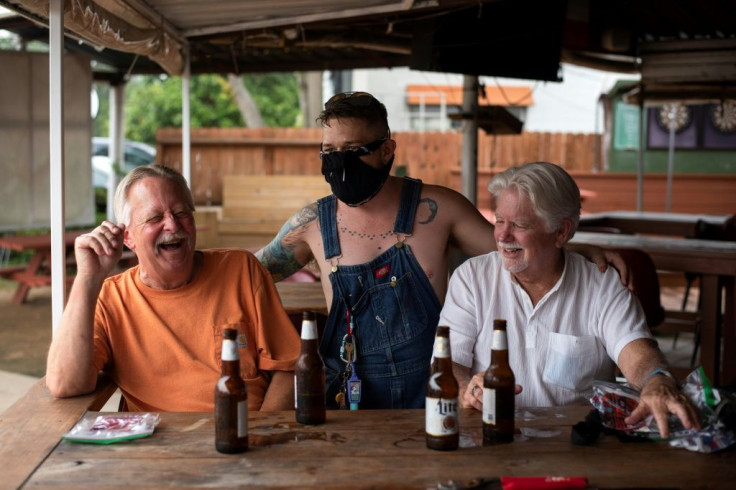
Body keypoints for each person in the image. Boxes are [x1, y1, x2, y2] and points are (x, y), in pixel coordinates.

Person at [256, 92, 629, 410]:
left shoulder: (439, 210)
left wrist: (576, 247)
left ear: (387, 150)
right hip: (349, 398)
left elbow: (512, 248)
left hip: (432, 391)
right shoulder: (311, 226)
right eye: (330, 152)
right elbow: (251, 273)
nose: (340, 164)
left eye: (354, 151)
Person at [439, 161, 700, 437]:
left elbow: (636, 352)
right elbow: (448, 364)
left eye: (519, 224)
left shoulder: (602, 284)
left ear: (561, 232)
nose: (502, 235)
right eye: (500, 220)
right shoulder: (472, 278)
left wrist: (655, 380)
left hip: (576, 443)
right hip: (489, 436)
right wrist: (469, 391)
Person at [46, 165, 299, 412]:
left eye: (181, 213)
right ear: (128, 238)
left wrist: (260, 436)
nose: (173, 225)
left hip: (243, 439)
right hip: (159, 447)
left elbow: (288, 369)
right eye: (155, 218)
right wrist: (88, 279)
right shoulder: (111, 298)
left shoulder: (240, 269)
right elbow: (65, 384)